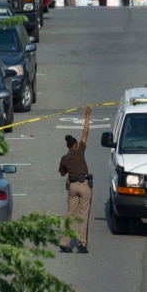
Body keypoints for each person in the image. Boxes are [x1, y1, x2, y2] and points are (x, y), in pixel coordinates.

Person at [58, 106, 92, 253]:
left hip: (72, 186)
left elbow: (61, 173)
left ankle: (65, 243)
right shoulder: (80, 151)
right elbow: (85, 133)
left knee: (70, 214)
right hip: (84, 185)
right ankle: (82, 243)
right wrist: (87, 116)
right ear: (76, 145)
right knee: (83, 214)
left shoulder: (64, 158)